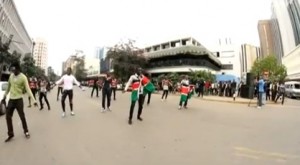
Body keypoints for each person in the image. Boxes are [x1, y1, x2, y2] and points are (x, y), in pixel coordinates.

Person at [2, 62, 38, 142]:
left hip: (19, 100)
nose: (12, 71)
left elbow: (28, 89)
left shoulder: (23, 77)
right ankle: (10, 134)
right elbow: (8, 87)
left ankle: (26, 131)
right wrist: (4, 96)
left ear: (18, 69)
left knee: (22, 116)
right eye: (11, 70)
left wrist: (34, 100)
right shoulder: (11, 76)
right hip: (11, 99)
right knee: (8, 116)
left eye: (13, 69)